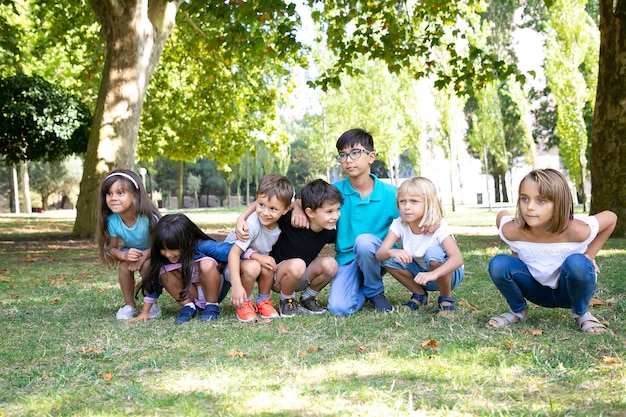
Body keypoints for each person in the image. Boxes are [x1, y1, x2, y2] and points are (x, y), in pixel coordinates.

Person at [487, 168, 617, 333]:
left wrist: (590, 255)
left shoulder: (577, 230)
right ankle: (518, 311)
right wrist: (515, 251)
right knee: (499, 263)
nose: (530, 207)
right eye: (524, 199)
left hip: (569, 291)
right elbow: (502, 216)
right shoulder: (512, 230)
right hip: (535, 291)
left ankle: (581, 313)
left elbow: (611, 218)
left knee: (578, 262)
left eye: (541, 201)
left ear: (560, 203)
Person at [292, 128, 399, 316]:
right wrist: (297, 208)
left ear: (371, 157)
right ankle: (366, 288)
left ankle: (375, 290)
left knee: (364, 243)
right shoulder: (334, 191)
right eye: (342, 155)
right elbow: (305, 201)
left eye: (355, 153)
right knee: (339, 309)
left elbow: (413, 220)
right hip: (347, 260)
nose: (348, 160)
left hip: (379, 257)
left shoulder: (392, 194)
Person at [235, 179, 343, 317]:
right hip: (275, 276)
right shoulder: (292, 220)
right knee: (298, 264)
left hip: (301, 274)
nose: (336, 216)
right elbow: (266, 201)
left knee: (331, 264)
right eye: (329, 212)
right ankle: (286, 300)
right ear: (310, 212)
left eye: (337, 210)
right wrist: (241, 218)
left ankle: (307, 299)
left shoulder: (329, 231)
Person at [376, 176, 464, 315]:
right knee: (387, 258)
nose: (407, 207)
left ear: (428, 203)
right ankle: (419, 294)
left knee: (433, 252)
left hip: (448, 274)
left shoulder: (439, 226)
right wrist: (393, 252)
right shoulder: (399, 223)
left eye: (414, 202)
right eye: (402, 202)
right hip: (421, 274)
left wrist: (433, 274)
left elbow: (457, 259)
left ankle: (446, 298)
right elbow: (380, 254)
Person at [226, 173, 294, 323]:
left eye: (273, 209)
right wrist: (236, 286)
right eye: (261, 205)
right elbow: (233, 254)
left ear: (285, 210)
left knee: (268, 264)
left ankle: (263, 301)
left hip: (252, 258)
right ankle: (244, 302)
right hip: (231, 265)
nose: (265, 212)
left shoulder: (284, 212)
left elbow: (295, 202)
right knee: (253, 267)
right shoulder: (251, 225)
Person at [140, 214, 233, 324]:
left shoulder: (202, 246)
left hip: (213, 290)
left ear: (187, 241)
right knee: (162, 271)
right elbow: (154, 283)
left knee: (207, 264)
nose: (168, 254)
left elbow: (233, 251)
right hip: (191, 293)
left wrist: (255, 257)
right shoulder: (163, 258)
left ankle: (212, 305)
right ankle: (188, 306)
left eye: (172, 249)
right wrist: (144, 312)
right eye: (163, 249)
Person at [96, 169, 162, 321]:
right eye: (109, 193)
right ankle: (129, 304)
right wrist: (125, 255)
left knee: (147, 266)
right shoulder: (112, 220)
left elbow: (161, 245)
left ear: (135, 195)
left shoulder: (149, 218)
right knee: (124, 267)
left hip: (153, 252)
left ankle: (151, 303)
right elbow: (111, 249)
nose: (113, 198)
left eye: (120, 193)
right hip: (130, 252)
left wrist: (144, 255)